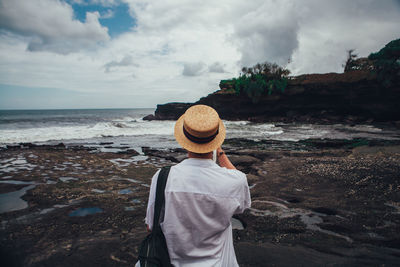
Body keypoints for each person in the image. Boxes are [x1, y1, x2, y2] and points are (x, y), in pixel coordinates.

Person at [142, 104, 251, 267]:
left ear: (184, 141)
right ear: (215, 141)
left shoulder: (163, 177)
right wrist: (220, 152)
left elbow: (151, 226)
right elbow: (240, 193)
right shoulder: (234, 181)